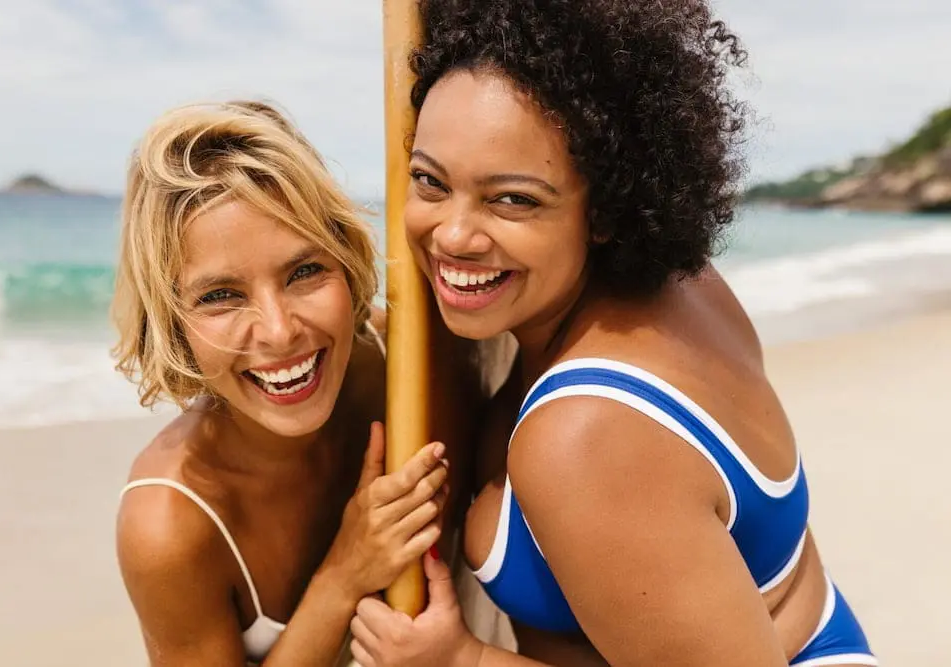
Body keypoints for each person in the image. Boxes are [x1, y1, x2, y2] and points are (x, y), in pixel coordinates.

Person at [348, 1, 877, 666]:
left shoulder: (587, 433)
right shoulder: (685, 283)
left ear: (603, 208)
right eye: (430, 181)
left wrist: (463, 660)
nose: (453, 234)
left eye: (512, 198)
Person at [111, 100, 451, 666]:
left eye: (305, 271)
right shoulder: (170, 523)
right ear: (170, 324)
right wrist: (345, 572)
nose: (279, 331)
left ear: (347, 260)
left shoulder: (404, 361)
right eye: (221, 296)